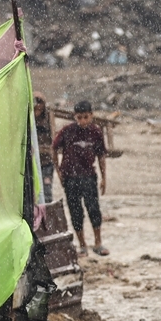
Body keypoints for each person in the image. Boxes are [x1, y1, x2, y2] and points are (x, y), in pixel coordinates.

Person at [53, 100, 109, 255]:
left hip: (89, 176)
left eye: (86, 117)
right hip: (70, 178)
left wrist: (104, 178)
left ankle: (98, 243)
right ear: (75, 117)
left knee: (94, 209)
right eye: (79, 117)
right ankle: (82, 245)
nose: (83, 121)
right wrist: (59, 171)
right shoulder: (67, 131)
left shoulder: (96, 132)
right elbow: (54, 148)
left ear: (91, 115)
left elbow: (101, 156)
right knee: (75, 211)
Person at [34, 94, 55, 203]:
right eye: (35, 102)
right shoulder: (28, 117)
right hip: (33, 160)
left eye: (40, 102)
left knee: (46, 189)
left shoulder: (48, 117)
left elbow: (53, 137)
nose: (37, 105)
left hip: (46, 160)